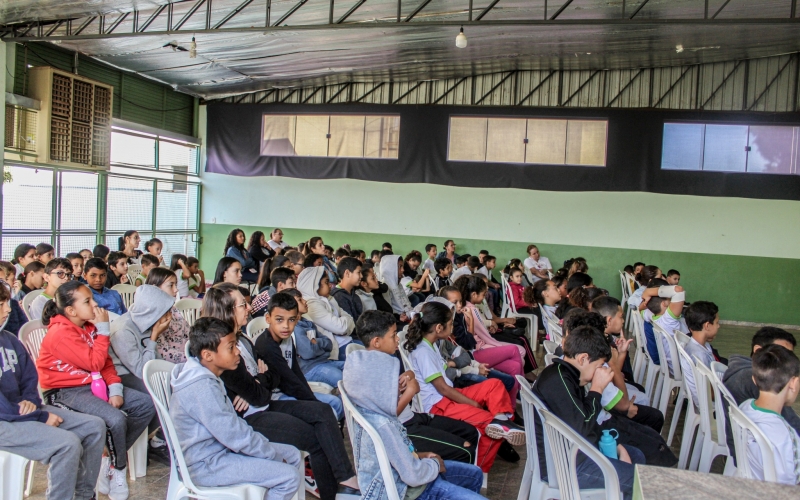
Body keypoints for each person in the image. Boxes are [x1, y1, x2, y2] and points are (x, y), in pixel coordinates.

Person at [204, 288, 360, 500]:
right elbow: (259, 392)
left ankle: (345, 480)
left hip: (263, 404)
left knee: (323, 411)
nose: (249, 308)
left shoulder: (244, 341)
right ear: (227, 310)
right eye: (243, 305)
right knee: (316, 436)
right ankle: (338, 490)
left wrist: (257, 382)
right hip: (250, 416)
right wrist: (256, 382)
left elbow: (270, 378)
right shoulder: (225, 349)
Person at [36, 281, 155, 500]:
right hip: (65, 392)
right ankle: (118, 468)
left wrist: (116, 388)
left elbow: (106, 364)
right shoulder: (61, 333)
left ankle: (106, 458)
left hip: (93, 385)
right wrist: (103, 330)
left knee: (145, 404)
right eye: (88, 301)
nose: (95, 304)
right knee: (115, 420)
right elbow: (93, 362)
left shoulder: (88, 327)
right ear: (71, 310)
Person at [171, 317, 303, 500]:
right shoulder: (201, 386)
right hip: (205, 464)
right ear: (208, 355)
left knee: (293, 455)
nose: (238, 352)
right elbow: (233, 434)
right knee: (289, 477)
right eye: (231, 347)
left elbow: (233, 431)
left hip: (220, 451)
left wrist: (268, 452)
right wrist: (270, 455)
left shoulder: (206, 374)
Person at [0, 282, 106, 500]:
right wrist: (38, 415)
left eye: (7, 303)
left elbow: (30, 377)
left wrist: (30, 401)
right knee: (66, 445)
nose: (8, 309)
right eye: (1, 304)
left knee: (94, 426)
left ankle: (83, 495)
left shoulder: (9, 340)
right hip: (5, 420)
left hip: (21, 411)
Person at [343, 342, 487, 500]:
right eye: (392, 384)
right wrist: (435, 464)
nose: (399, 387)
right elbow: (412, 475)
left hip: (413, 470)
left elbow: (404, 454)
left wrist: (422, 455)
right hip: (409, 491)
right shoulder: (384, 424)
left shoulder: (377, 411)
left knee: (475, 474)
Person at [404, 301, 523, 473]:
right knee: (489, 425)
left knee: (495, 384)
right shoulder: (423, 352)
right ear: (438, 328)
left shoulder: (433, 345)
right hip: (439, 405)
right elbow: (443, 389)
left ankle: (503, 421)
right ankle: (478, 470)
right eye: (451, 324)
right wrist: (472, 404)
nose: (452, 327)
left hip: (449, 395)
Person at [531, 325, 645, 500]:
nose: (599, 372)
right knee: (640, 481)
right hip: (565, 465)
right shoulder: (558, 380)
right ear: (583, 358)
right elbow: (582, 428)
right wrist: (597, 389)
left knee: (636, 455)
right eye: (599, 365)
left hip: (573, 453)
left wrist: (616, 445)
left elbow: (584, 420)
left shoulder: (565, 375)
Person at [356, 309, 481, 465]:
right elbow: (388, 415)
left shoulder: (388, 359)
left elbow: (395, 389)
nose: (397, 340)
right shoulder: (372, 369)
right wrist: (410, 392)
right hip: (402, 428)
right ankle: (447, 483)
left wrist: (409, 375)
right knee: (465, 450)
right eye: (393, 335)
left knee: (469, 432)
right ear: (376, 342)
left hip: (413, 416)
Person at [108, 284, 175, 464]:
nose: (169, 316)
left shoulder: (147, 323)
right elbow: (140, 370)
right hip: (123, 376)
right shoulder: (123, 330)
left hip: (142, 372)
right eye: (165, 311)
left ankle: (158, 439)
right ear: (151, 311)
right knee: (158, 395)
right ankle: (127, 446)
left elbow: (156, 362)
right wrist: (154, 338)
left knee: (180, 388)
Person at [254, 292, 345, 419]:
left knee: (335, 403)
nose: (286, 326)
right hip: (276, 397)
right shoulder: (267, 345)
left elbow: (296, 372)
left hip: (290, 390)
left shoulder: (287, 338)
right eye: (279, 319)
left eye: (291, 320)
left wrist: (310, 396)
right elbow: (288, 381)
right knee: (325, 411)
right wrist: (313, 402)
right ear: (268, 318)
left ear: (297, 319)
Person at [723, 327, 799, 461]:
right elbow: (794, 426)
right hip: (760, 461)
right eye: (780, 354)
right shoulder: (757, 381)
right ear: (758, 350)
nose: (786, 362)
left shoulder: (742, 371)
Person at [739, 344, 800, 485]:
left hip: (752, 482)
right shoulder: (785, 436)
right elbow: (790, 487)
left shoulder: (745, 406)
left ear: (754, 378)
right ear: (794, 383)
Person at [456, 275, 525, 399]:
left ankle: (514, 402)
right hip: (478, 350)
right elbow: (484, 337)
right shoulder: (469, 309)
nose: (484, 298)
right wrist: (499, 347)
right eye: (483, 295)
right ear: (474, 294)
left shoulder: (469, 307)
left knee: (516, 365)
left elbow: (483, 333)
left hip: (480, 346)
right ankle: (522, 392)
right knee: (516, 350)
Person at [297, 266, 357, 360]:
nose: (330, 285)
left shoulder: (329, 298)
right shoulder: (310, 304)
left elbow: (350, 318)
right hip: (337, 349)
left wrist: (345, 326)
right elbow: (341, 327)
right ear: (315, 285)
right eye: (326, 282)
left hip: (346, 340)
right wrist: (345, 325)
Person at [680, 301, 724, 408]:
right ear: (707, 326)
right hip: (711, 405)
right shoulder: (699, 355)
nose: (719, 326)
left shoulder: (699, 345)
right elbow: (710, 393)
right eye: (717, 323)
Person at [145, 268, 191, 363]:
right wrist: (194, 360)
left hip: (190, 355)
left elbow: (189, 333)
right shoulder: (154, 317)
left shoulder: (172, 309)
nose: (176, 289)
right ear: (155, 288)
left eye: (176, 285)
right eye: (171, 285)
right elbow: (164, 353)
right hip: (176, 365)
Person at [380, 255, 414, 321]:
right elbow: (389, 312)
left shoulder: (398, 283)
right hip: (397, 320)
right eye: (399, 267)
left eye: (402, 266)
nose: (403, 270)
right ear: (391, 269)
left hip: (406, 315)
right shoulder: (385, 287)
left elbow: (406, 303)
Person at [331, 257, 364, 322]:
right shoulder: (338, 296)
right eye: (358, 272)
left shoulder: (353, 294)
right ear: (347, 273)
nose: (361, 276)